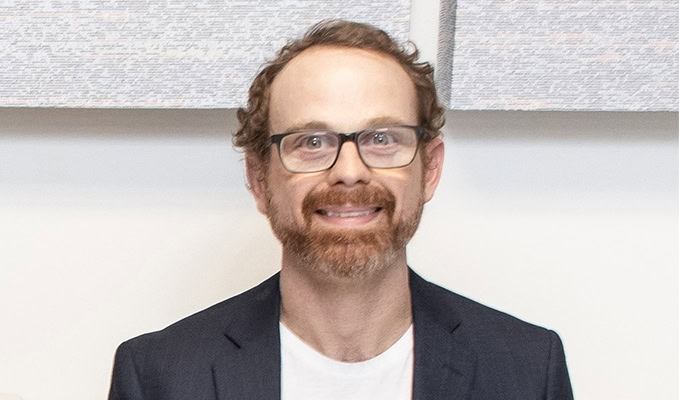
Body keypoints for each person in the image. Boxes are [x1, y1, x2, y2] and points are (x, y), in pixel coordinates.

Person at [108, 20, 573, 400]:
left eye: (382, 138)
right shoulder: (159, 377)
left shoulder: (528, 371)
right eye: (311, 142)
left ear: (429, 170)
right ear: (258, 180)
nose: (349, 171)